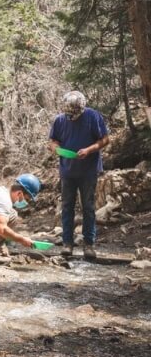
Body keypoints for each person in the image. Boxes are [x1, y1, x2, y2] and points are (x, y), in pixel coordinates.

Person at [48, 91, 109, 259]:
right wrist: (55, 149)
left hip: (89, 170)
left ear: (81, 108)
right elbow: (53, 141)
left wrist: (89, 150)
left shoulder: (93, 116)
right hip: (67, 171)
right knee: (67, 206)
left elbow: (105, 139)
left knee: (88, 207)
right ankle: (67, 243)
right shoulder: (60, 120)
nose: (71, 117)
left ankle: (89, 245)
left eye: (74, 114)